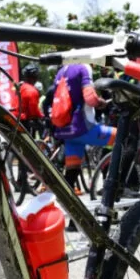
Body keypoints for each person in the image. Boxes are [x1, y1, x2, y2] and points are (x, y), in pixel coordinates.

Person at [49, 63, 115, 195]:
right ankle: (118, 186)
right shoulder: (83, 67)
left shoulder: (61, 70)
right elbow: (90, 98)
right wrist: (100, 102)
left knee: (71, 173)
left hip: (66, 130)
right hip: (83, 127)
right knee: (122, 138)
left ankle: (69, 208)